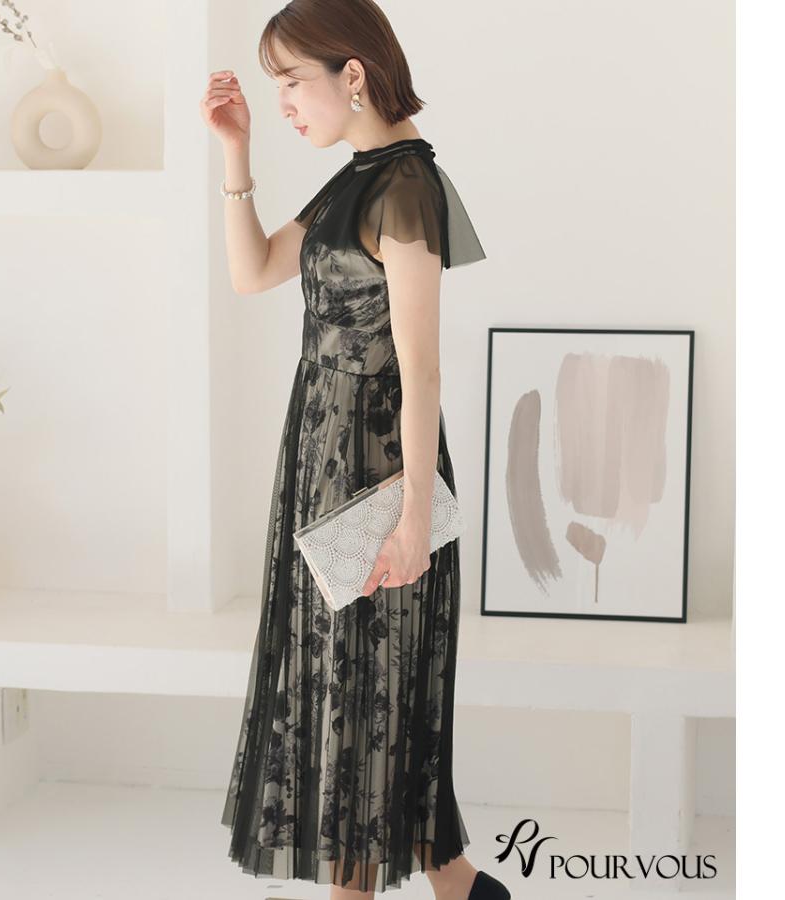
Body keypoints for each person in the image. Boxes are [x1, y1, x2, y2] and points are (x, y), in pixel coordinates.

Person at [200, 2, 508, 898]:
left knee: (362, 703)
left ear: (355, 75)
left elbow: (422, 368)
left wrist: (413, 517)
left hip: (376, 473)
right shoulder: (354, 182)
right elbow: (253, 272)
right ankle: (464, 888)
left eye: (294, 80)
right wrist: (235, 153)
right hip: (321, 460)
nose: (285, 102)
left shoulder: (405, 186)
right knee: (353, 694)